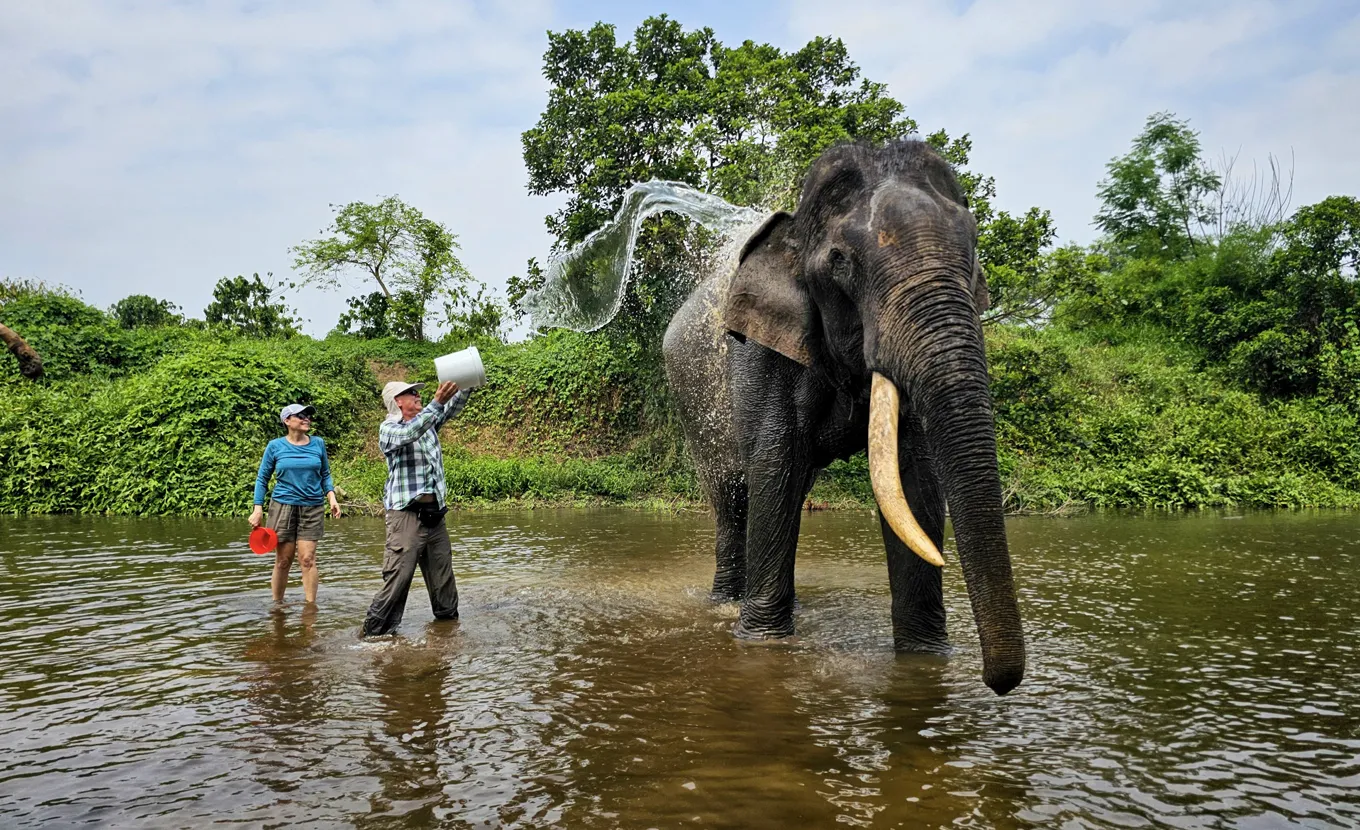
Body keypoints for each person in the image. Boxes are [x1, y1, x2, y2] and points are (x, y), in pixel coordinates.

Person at [362, 379, 470, 637]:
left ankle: (446, 632)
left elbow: (452, 407)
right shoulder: (388, 428)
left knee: (443, 579)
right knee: (398, 578)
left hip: (435, 516)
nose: (417, 395)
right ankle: (373, 634)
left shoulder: (428, 420)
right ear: (398, 401)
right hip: (406, 517)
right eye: (412, 393)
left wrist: (466, 381)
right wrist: (437, 403)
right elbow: (410, 432)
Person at [249, 403, 342, 604]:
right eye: (300, 416)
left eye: (307, 415)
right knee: (283, 561)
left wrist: (332, 497)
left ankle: (310, 610)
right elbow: (262, 478)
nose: (306, 418)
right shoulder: (275, 446)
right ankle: (277, 607)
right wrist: (258, 509)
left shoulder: (318, 443)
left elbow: (325, 473)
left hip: (312, 506)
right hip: (282, 507)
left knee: (307, 559)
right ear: (287, 421)